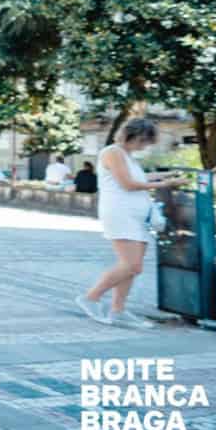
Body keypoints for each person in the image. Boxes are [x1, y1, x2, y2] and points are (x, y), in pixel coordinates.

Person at [74, 118, 186, 328]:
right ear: (130, 136)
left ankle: (118, 310)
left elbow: (141, 176)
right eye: (143, 141)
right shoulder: (112, 152)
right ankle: (91, 297)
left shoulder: (127, 156)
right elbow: (128, 184)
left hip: (136, 216)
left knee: (133, 267)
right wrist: (166, 184)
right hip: (120, 213)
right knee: (131, 265)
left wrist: (169, 174)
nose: (145, 146)